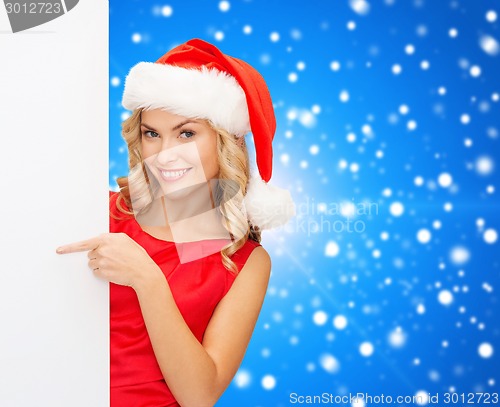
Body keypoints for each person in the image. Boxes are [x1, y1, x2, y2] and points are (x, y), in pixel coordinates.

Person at [56, 38, 295, 407]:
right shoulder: (98, 211)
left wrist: (146, 278)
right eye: (152, 133)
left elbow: (199, 395)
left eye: (186, 133)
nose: (166, 154)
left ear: (224, 141)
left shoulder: (243, 261)